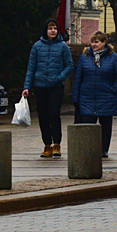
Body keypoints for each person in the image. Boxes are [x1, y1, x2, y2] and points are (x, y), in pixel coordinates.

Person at [22, 19, 74, 158]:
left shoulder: (63, 46)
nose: (53, 31)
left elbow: (69, 65)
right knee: (42, 116)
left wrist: (59, 77)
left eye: (55, 28)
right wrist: (27, 87)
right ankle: (47, 145)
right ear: (45, 30)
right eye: (50, 28)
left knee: (54, 114)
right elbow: (31, 68)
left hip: (56, 86)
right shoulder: (37, 47)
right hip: (40, 86)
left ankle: (57, 144)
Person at [72, 32, 117, 158]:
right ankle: (88, 149)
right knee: (88, 126)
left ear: (104, 43)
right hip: (87, 96)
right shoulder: (85, 57)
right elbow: (78, 77)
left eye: (97, 42)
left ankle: (103, 150)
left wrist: (114, 89)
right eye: (93, 42)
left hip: (106, 96)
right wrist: (76, 97)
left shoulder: (114, 57)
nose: (94, 44)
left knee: (106, 126)